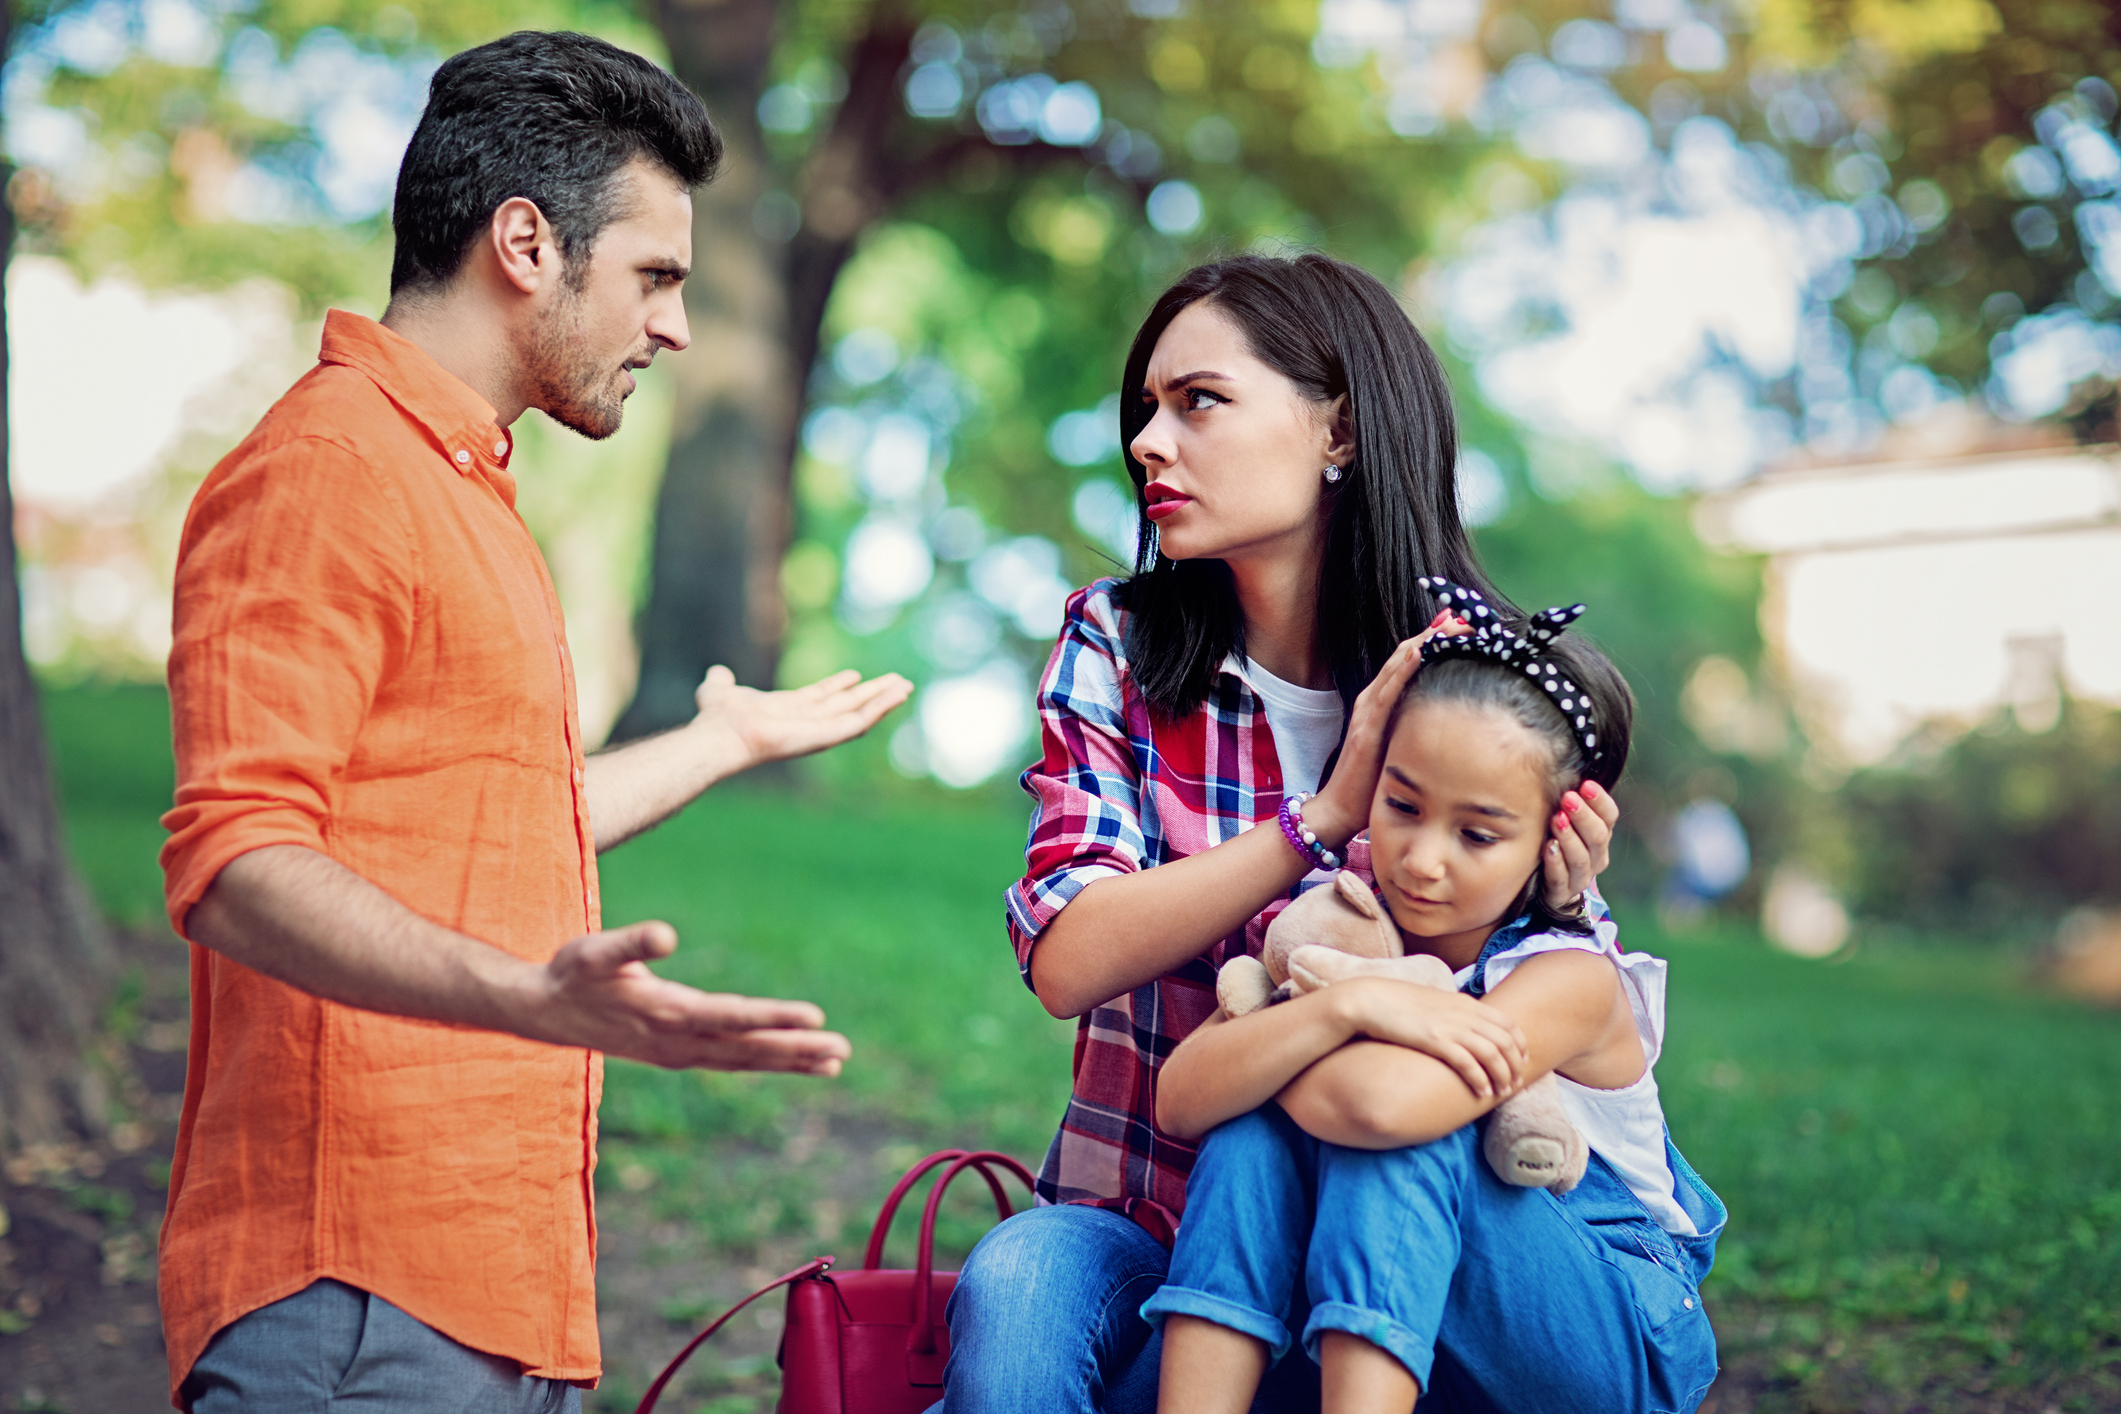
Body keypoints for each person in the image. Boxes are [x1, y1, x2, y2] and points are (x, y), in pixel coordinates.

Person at [156, 32, 910, 1414]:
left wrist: (723, 742)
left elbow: (497, 814)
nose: (673, 326)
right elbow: (233, 857)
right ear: (524, 242)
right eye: (655, 276)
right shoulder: (328, 467)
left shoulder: (467, 490)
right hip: (353, 1306)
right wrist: (527, 997)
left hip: (506, 1293)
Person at [936, 254, 1621, 1411]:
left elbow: (1549, 1000)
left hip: (1395, 1208)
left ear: (1337, 431)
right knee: (1015, 1281)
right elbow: (1069, 955)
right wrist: (1322, 823)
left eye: (1198, 401)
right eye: (1145, 411)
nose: (1150, 442)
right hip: (1151, 1220)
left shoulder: (1471, 677)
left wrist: (1545, 897)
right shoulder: (1118, 640)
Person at [1142, 581, 1725, 1413]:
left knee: (1402, 1134)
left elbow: (1385, 1108)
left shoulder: (1568, 978)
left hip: (1603, 1336)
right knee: (1247, 1143)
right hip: (1433, 1328)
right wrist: (1347, 1006)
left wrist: (1270, 1053)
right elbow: (1180, 1100)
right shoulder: (1342, 932)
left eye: (1477, 834)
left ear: (1554, 835)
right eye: (1401, 806)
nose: (1420, 859)